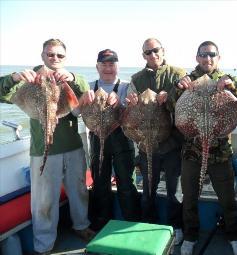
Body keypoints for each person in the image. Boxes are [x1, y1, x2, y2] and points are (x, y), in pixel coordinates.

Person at [0, 39, 95, 255]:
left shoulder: (70, 78)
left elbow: (85, 93)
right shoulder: (30, 79)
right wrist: (14, 77)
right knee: (43, 199)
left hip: (72, 147)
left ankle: (81, 226)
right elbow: (2, 93)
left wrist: (72, 78)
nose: (55, 59)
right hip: (43, 150)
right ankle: (44, 245)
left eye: (59, 55)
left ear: (65, 58)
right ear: (42, 56)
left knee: (79, 190)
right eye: (50, 55)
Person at [176, 41, 237, 255]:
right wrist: (178, 88)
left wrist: (232, 86)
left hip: (220, 152)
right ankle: (190, 236)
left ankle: (233, 235)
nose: (208, 58)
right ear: (197, 57)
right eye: (203, 54)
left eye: (212, 54)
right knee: (189, 198)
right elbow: (171, 107)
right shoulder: (188, 81)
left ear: (218, 58)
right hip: (192, 151)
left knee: (227, 198)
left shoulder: (227, 80)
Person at [125, 38, 186, 245]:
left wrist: (169, 97)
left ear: (163, 50)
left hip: (172, 143)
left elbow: (186, 103)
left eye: (156, 50)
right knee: (147, 190)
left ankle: (176, 226)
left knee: (173, 191)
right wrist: (132, 105)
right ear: (143, 55)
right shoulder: (136, 78)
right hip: (146, 145)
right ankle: (147, 223)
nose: (153, 55)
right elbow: (130, 115)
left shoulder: (177, 74)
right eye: (147, 52)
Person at [79, 49, 141, 230]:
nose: (108, 68)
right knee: (100, 182)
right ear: (97, 66)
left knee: (126, 182)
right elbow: (75, 112)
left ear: (118, 67)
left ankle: (130, 224)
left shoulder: (127, 86)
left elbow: (135, 117)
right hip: (98, 139)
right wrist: (83, 100)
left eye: (111, 64)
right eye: (104, 64)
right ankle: (102, 223)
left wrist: (122, 105)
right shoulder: (89, 87)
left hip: (122, 138)